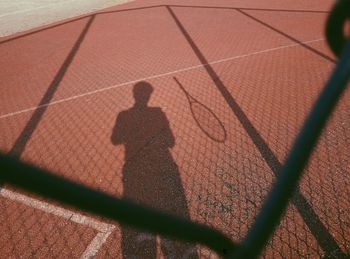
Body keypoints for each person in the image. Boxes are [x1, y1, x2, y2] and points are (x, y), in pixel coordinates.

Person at [111, 81, 198, 258]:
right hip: (163, 168)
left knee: (139, 210)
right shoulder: (158, 114)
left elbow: (115, 139)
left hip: (135, 170)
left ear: (134, 95)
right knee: (170, 208)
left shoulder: (123, 116)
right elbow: (171, 142)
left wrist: (134, 135)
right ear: (149, 95)